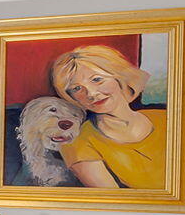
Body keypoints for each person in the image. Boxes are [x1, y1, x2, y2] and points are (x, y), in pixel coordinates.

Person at [51, 44, 166, 189]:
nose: (91, 94)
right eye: (77, 88)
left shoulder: (167, 119)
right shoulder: (77, 143)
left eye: (97, 79)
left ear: (119, 78)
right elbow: (117, 202)